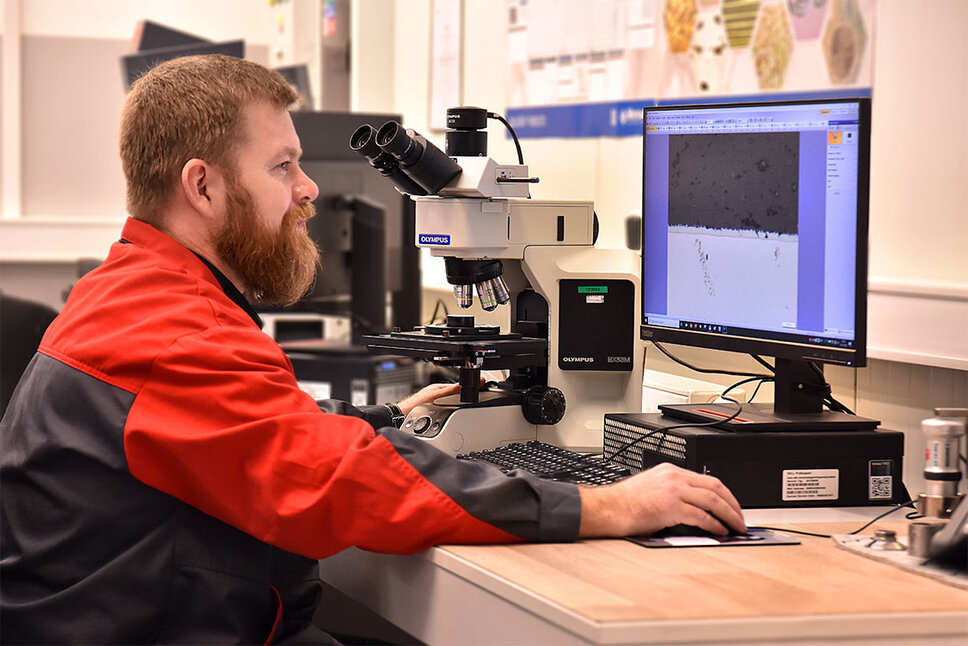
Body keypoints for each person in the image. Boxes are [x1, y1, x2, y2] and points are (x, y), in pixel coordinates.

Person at [0, 55, 745, 644]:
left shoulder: (135, 290)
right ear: (202, 185)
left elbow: (250, 440)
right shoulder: (171, 333)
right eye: (282, 166)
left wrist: (377, 423)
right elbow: (340, 487)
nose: (308, 188)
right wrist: (600, 504)